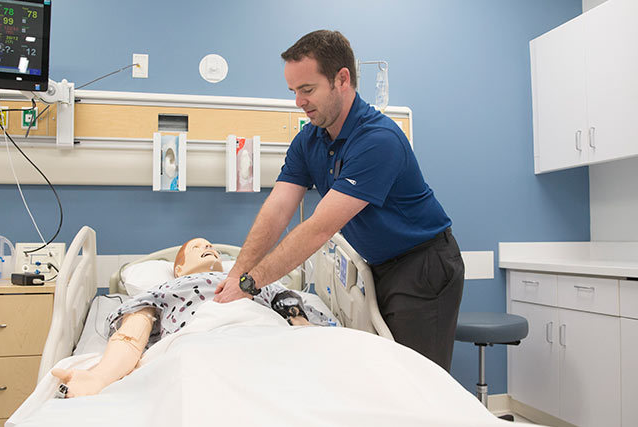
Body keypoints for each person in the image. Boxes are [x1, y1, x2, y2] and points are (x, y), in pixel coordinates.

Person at [214, 30, 464, 372]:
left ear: (341, 79)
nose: (298, 102)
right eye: (293, 91)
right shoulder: (309, 140)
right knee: (389, 378)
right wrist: (238, 274)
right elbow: (278, 208)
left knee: (419, 381)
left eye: (307, 89)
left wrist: (251, 283)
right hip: (380, 264)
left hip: (423, 265)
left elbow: (319, 229)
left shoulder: (379, 140)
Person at [52, 238, 328, 398]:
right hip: (200, 338)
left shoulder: (251, 279)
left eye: (211, 246)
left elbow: (286, 302)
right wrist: (101, 376)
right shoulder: (167, 288)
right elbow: (134, 330)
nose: (209, 247)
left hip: (264, 333)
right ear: (179, 267)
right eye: (198, 247)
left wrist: (304, 330)